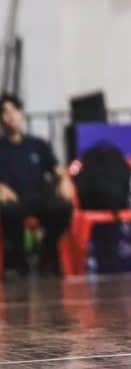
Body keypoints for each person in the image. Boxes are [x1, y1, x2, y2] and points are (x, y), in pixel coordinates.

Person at [0, 93, 73, 277]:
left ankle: (44, 255)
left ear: (21, 113)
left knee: (64, 207)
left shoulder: (37, 144)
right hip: (14, 202)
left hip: (39, 198)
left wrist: (65, 180)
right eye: (5, 112)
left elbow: (57, 168)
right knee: (9, 213)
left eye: (14, 110)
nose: (11, 116)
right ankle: (20, 262)